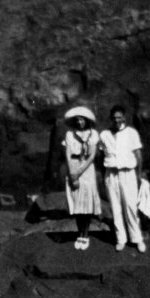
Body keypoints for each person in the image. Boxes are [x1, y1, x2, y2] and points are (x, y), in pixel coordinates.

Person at [99, 105, 146, 253]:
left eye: (119, 117)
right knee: (115, 208)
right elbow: (100, 156)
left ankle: (137, 239)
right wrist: (103, 175)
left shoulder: (131, 133)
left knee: (131, 207)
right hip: (111, 175)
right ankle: (121, 239)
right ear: (110, 119)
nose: (117, 120)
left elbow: (138, 155)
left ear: (124, 118)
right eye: (114, 118)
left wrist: (138, 175)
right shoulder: (104, 134)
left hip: (128, 174)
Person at [63, 106, 101, 250]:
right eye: (77, 120)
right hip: (72, 166)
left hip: (86, 170)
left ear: (87, 121)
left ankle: (86, 234)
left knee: (87, 203)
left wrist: (78, 173)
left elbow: (91, 157)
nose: (79, 122)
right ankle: (80, 233)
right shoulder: (69, 134)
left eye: (82, 120)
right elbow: (67, 154)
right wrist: (72, 173)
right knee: (77, 203)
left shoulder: (93, 134)